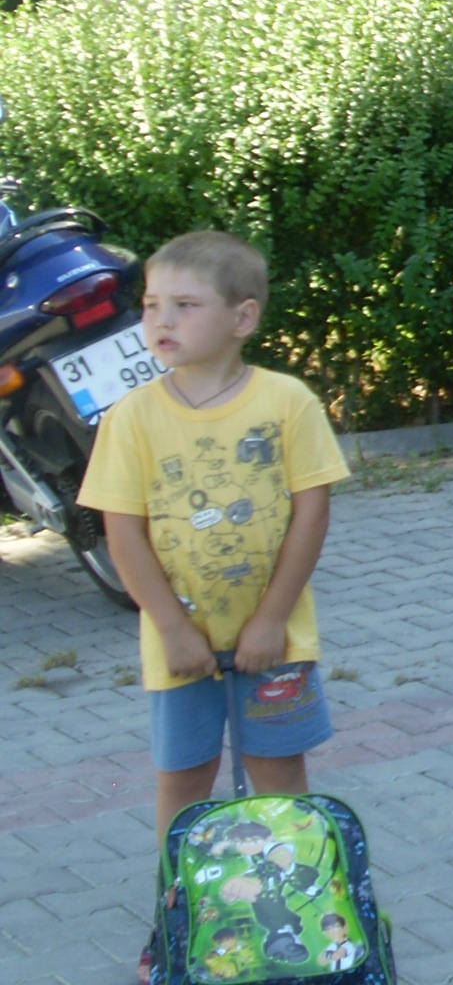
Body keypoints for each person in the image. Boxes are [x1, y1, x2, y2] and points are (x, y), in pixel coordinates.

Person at [78, 231, 351, 984]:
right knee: (184, 780)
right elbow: (122, 531)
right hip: (179, 651)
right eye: (150, 305)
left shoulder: (287, 403)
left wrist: (270, 620)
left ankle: (302, 922)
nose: (161, 320)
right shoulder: (132, 418)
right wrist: (171, 627)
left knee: (278, 776)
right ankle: (180, 920)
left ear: (242, 318)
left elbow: (311, 514)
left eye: (185, 305)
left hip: (275, 646)